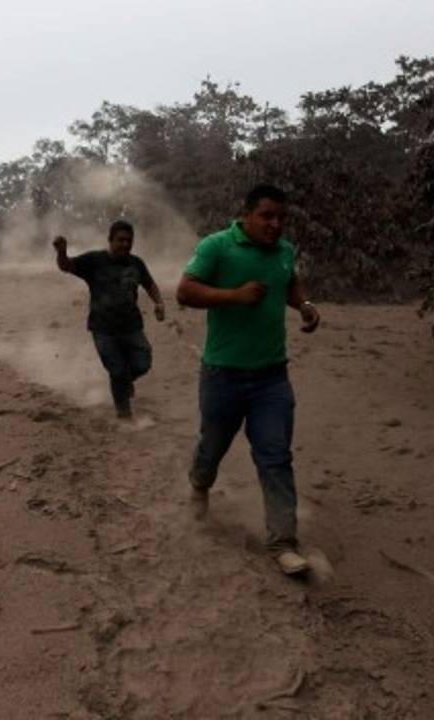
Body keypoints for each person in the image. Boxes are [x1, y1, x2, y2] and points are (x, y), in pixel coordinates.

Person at [176, 184, 321, 577]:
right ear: (246, 214)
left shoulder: (284, 251)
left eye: (281, 217)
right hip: (222, 375)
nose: (275, 224)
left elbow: (289, 282)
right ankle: (199, 486)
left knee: (275, 456)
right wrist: (234, 296)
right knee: (212, 447)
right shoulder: (217, 246)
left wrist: (304, 305)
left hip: (272, 377)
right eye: (266, 216)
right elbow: (185, 292)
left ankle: (283, 543)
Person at [53, 220, 165, 419]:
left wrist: (159, 302)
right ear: (110, 240)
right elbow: (66, 266)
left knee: (142, 364)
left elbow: (149, 284)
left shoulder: (136, 263)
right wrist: (61, 252)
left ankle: (125, 383)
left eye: (129, 240)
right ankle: (124, 416)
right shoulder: (94, 261)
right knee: (117, 370)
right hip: (103, 328)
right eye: (121, 240)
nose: (125, 244)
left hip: (132, 326)